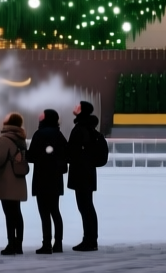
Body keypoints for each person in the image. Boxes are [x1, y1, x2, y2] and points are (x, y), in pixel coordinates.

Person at [67, 100, 106, 252]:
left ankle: (89, 240)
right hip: (87, 173)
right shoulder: (88, 127)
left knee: (85, 207)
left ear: (82, 110)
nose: (75, 106)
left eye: (78, 106)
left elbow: (73, 152)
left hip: (81, 174)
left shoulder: (81, 128)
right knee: (87, 206)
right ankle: (91, 239)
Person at [28, 108, 68, 254]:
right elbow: (66, 153)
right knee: (55, 211)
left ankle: (46, 243)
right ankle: (58, 243)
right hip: (55, 179)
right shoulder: (59, 135)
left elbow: (31, 156)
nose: (39, 115)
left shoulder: (39, 134)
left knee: (44, 213)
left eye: (42, 114)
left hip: (41, 178)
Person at [0, 111, 29, 255]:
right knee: (17, 212)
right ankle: (18, 244)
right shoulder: (21, 138)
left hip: (7, 181)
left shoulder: (5, 139)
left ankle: (11, 244)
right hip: (19, 179)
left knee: (9, 213)